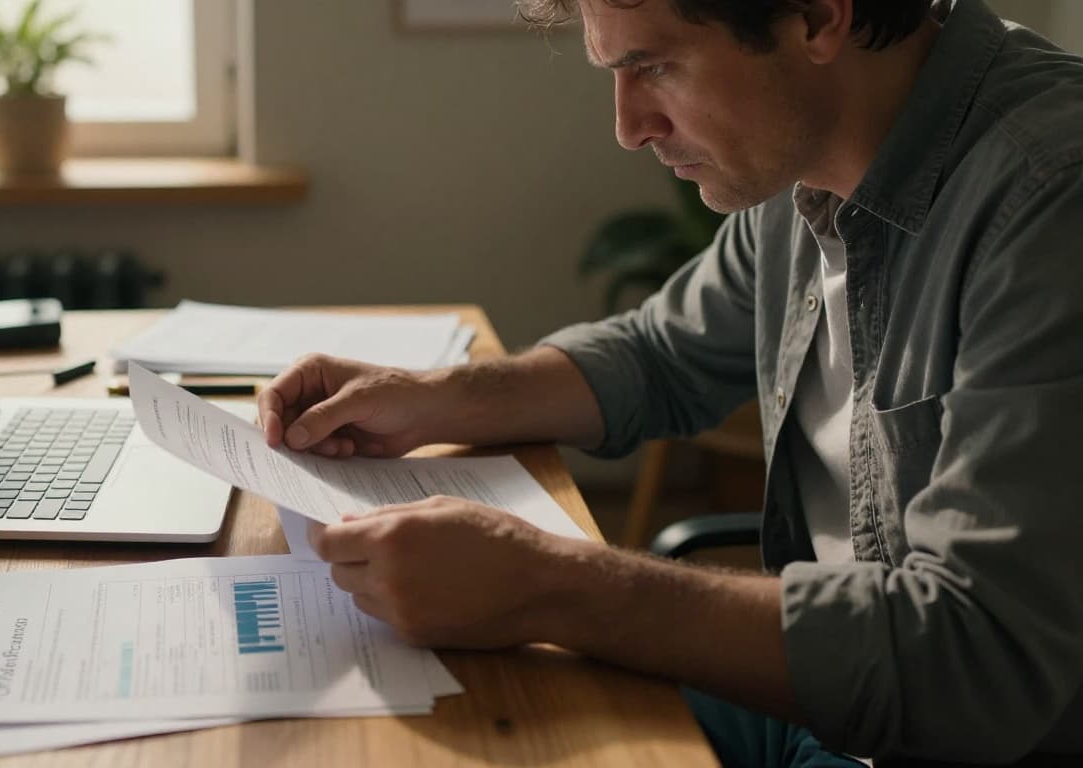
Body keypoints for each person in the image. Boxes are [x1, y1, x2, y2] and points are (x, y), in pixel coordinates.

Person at [257, 0, 1083, 764]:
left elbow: (981, 657)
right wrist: (435, 396)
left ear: (819, 17)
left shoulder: (1051, 200)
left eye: (655, 68)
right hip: (820, 709)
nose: (628, 127)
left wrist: (554, 585)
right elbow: (661, 354)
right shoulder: (803, 148)